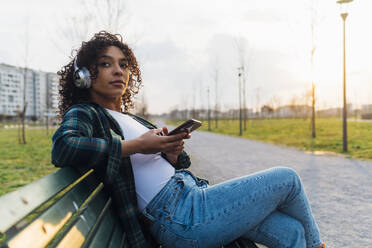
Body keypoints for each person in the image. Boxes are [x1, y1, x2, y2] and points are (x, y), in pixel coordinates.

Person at [51, 31, 325, 248]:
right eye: (105, 64)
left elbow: (178, 164)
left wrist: (171, 152)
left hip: (192, 198)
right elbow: (64, 148)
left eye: (123, 65)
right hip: (181, 217)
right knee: (287, 179)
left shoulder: (132, 119)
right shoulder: (86, 113)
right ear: (84, 76)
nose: (118, 71)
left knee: (293, 233)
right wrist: (139, 145)